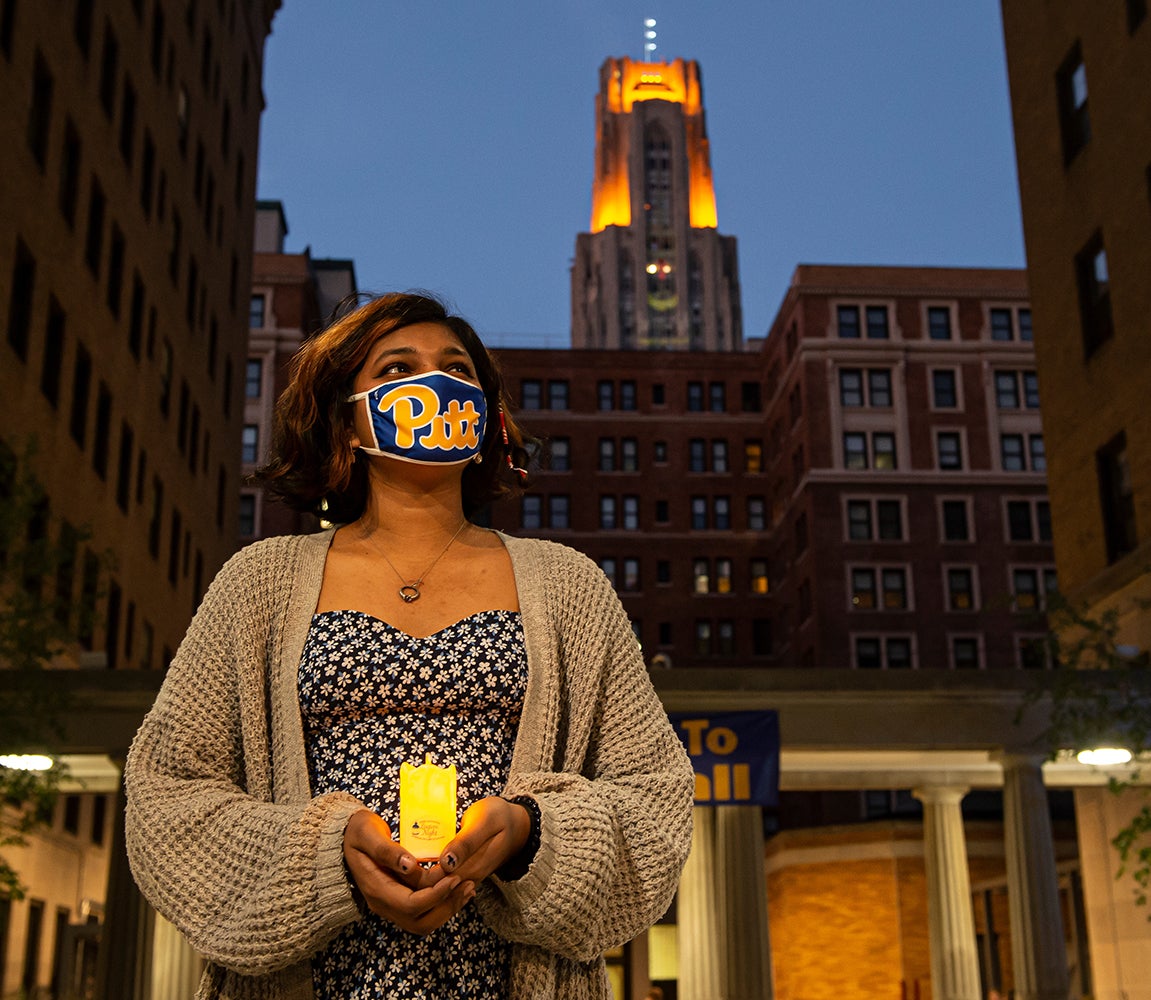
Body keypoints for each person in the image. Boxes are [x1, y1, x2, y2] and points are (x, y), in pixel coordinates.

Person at [124, 292, 695, 1000]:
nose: (434, 383)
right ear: (346, 414)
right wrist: (324, 855)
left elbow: (655, 800)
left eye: (457, 369)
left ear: (486, 415)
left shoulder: (569, 587)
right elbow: (166, 792)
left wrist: (530, 835)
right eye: (397, 367)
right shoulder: (257, 585)